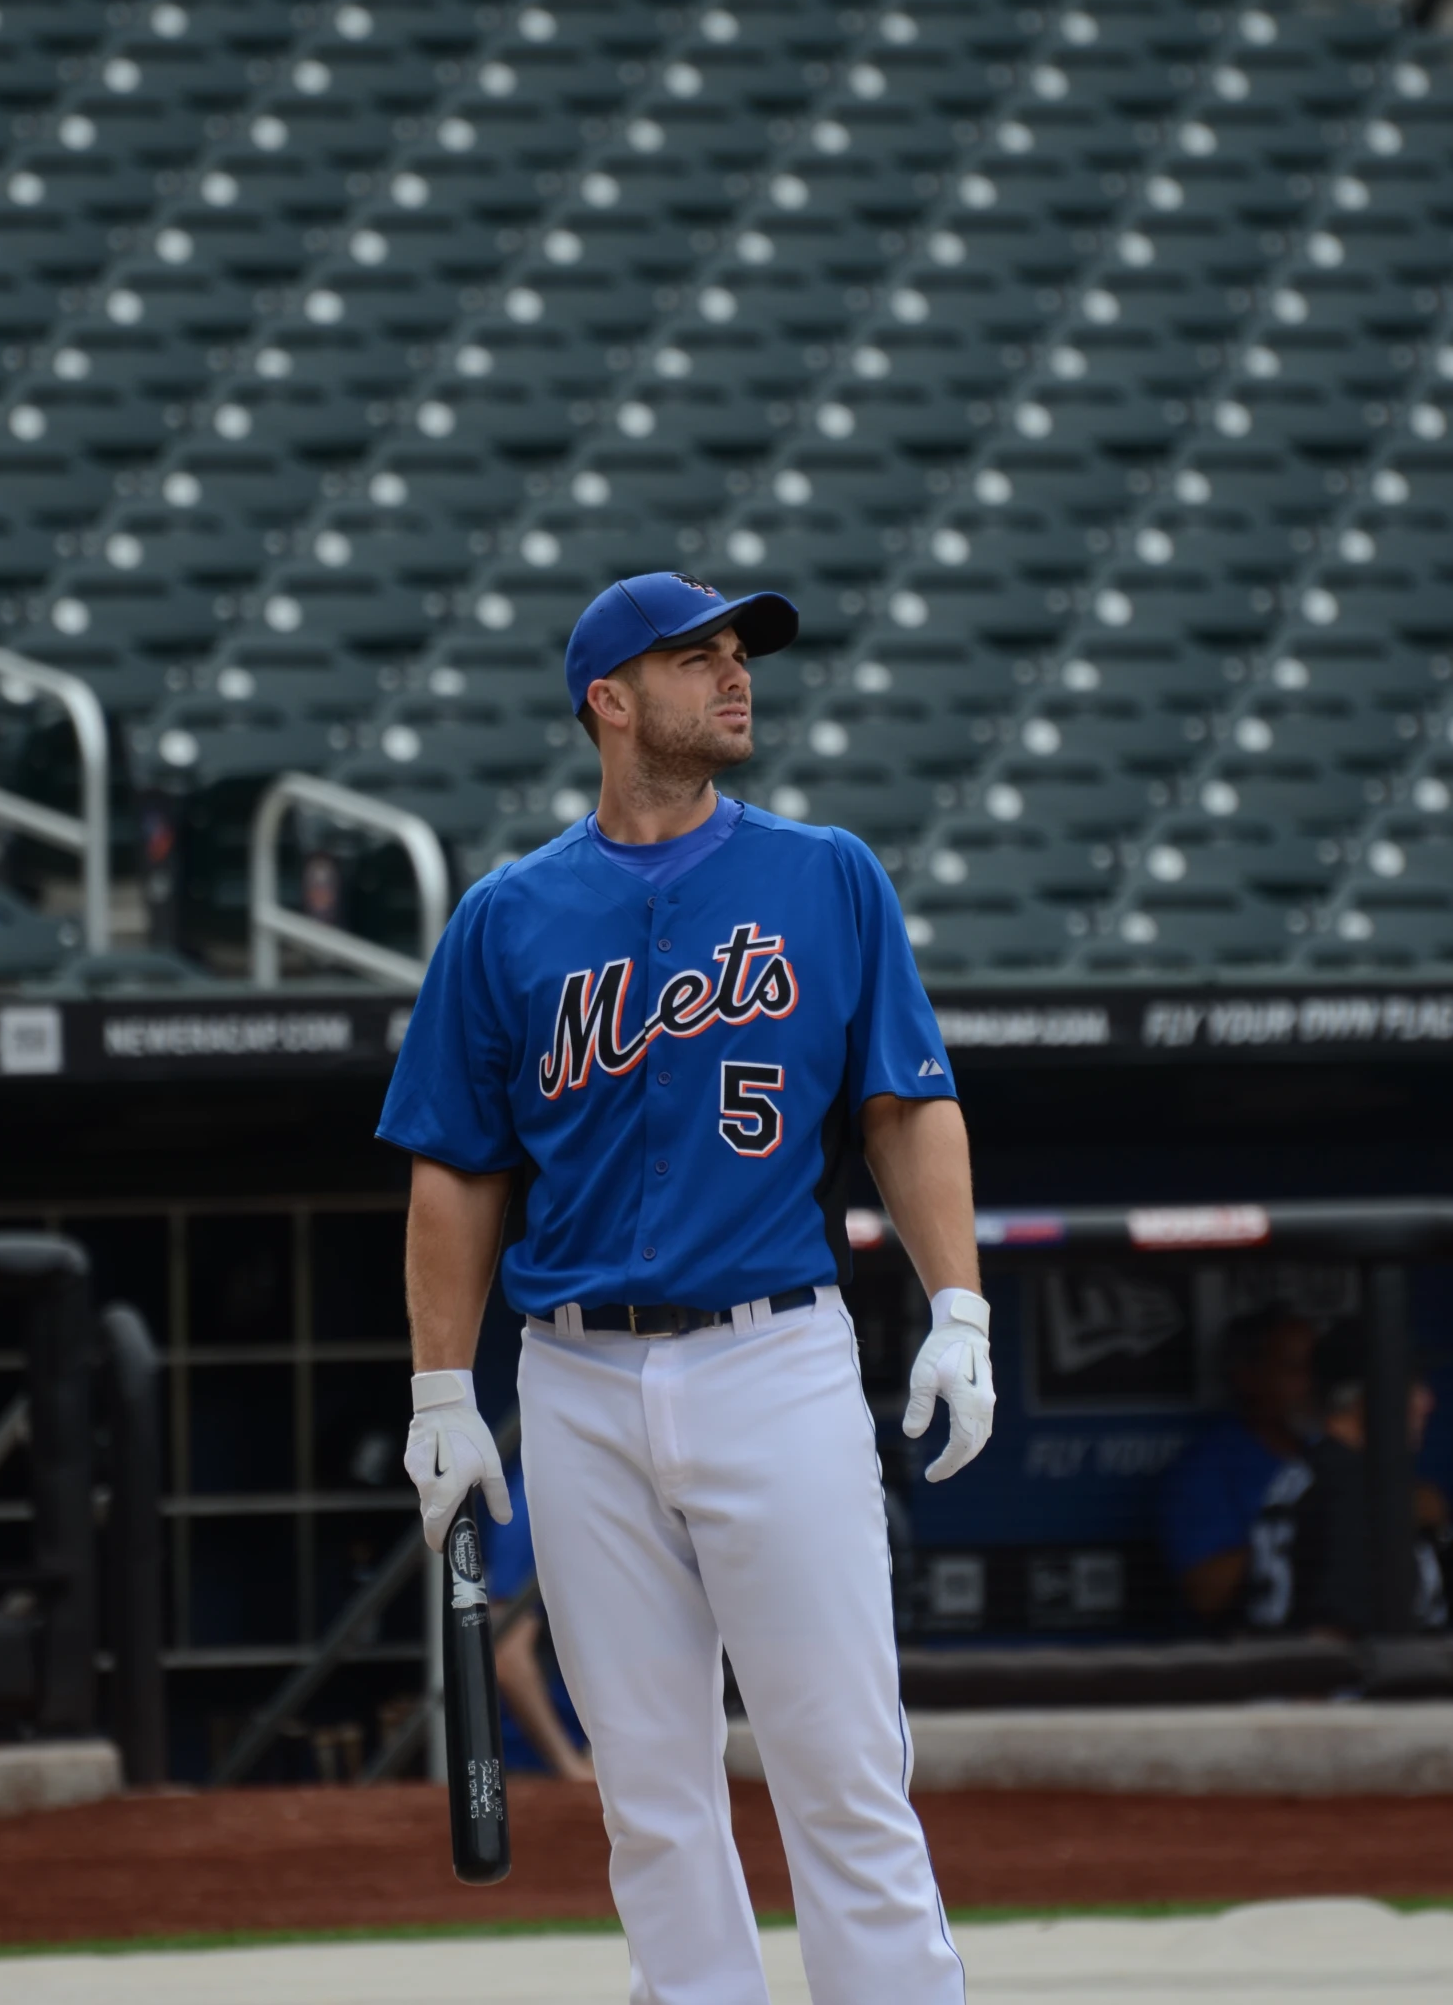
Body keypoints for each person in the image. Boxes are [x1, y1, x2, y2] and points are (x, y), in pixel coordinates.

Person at [382, 570, 995, 2005]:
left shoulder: (825, 872)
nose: (735, 674)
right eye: (695, 656)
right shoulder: (504, 917)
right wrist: (439, 1389)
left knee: (840, 1766)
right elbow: (454, 1169)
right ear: (608, 698)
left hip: (769, 1353)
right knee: (647, 1788)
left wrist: (955, 1304)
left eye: (740, 652)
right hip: (575, 1378)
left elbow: (907, 1102)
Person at [1158, 1306, 1318, 1629]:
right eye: (1294, 1370)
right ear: (1248, 1378)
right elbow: (1207, 1592)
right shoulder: (1206, 1469)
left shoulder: (1332, 1453)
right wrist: (1317, 1537)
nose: (1311, 1385)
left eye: (1316, 1370)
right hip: (1241, 1665)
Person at [1292, 1318, 1450, 1635]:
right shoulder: (1352, 1489)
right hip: (1362, 1681)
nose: (1428, 1403)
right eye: (1413, 1387)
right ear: (1365, 1397)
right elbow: (1327, 1643)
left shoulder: (1317, 1471)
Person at [483, 1460, 594, 1781]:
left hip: (603, 1749)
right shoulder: (537, 1498)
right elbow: (507, 1654)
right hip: (538, 1766)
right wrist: (568, 1764)